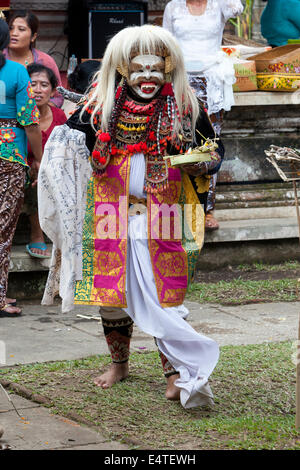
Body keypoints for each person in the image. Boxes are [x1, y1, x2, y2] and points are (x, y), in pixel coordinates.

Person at [38, 25, 223, 408]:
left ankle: (175, 373)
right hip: (110, 211)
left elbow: (215, 150)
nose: (148, 77)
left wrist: (201, 163)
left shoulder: (185, 105)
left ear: (167, 68)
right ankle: (119, 365)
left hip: (167, 212)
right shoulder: (100, 104)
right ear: (123, 69)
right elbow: (67, 144)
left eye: (156, 69)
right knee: (113, 293)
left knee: (164, 296)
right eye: (139, 69)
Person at [163, 0, 243, 231]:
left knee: (210, 146)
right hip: (180, 81)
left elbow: (237, 9)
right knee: (178, 143)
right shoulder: (173, 7)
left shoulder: (219, 5)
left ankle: (207, 209)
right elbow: (166, 46)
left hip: (211, 82)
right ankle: (177, 205)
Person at [0, 18, 42, 317]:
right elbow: (30, 123)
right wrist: (38, 158)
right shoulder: (16, 72)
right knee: (3, 231)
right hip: (9, 158)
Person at [24, 63, 67, 258]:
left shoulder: (59, 116)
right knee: (34, 170)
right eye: (33, 84)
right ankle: (36, 233)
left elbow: (64, 151)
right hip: (24, 169)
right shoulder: (19, 115)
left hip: (52, 169)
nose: (38, 90)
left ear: (53, 90)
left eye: (44, 85)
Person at [3, 9, 63, 108]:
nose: (14, 33)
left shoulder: (45, 61)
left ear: (33, 37)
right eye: (10, 28)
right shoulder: (2, 58)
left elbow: (58, 96)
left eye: (21, 29)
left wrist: (41, 112)